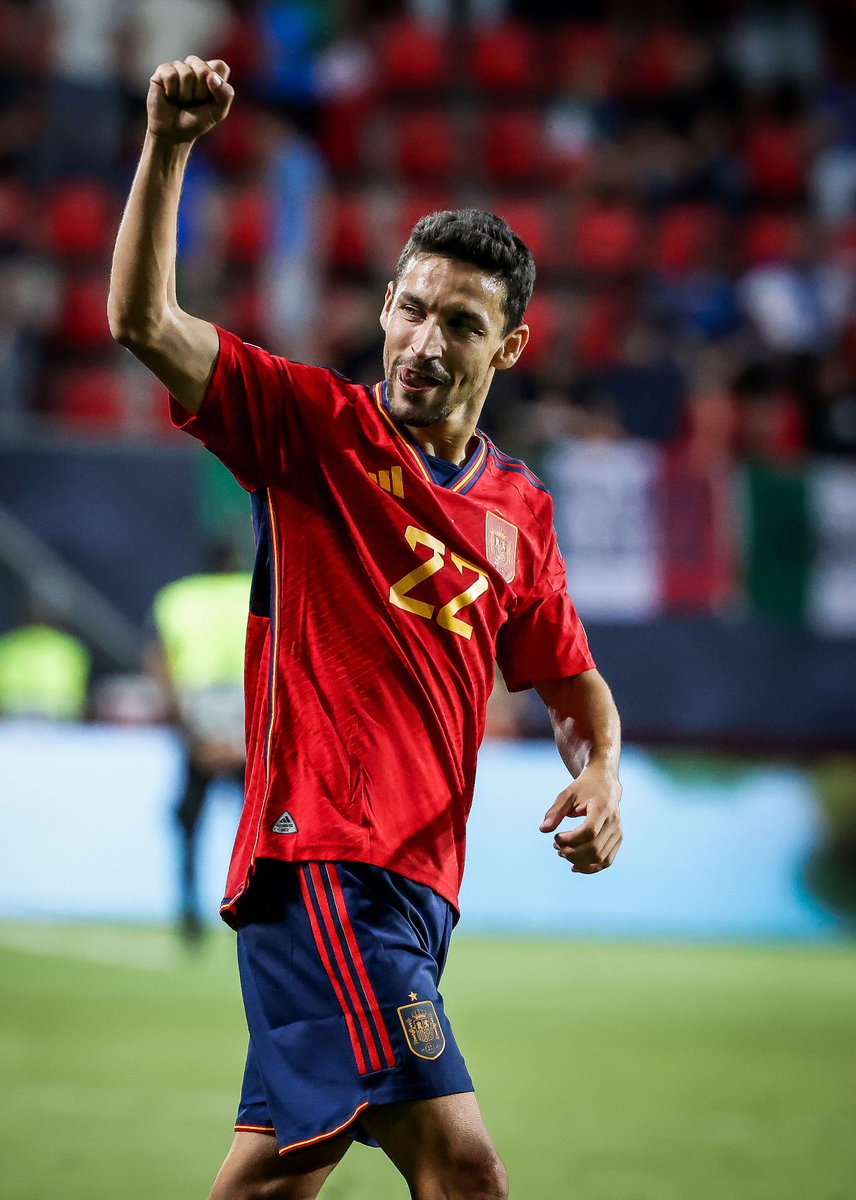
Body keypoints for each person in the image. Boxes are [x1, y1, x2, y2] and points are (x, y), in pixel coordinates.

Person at [108, 54, 624, 1200]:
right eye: (411, 307)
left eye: (461, 321)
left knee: (276, 1179)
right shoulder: (313, 434)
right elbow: (141, 319)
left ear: (511, 347)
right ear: (384, 305)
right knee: (466, 1172)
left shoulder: (518, 514)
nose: (424, 341)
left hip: (419, 888)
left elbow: (574, 686)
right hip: (327, 861)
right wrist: (171, 146)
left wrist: (603, 780)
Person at [147, 543, 250, 943]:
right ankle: (257, 903)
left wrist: (188, 732)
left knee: (189, 820)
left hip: (198, 719)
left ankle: (188, 909)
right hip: (250, 718)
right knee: (264, 823)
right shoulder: (257, 588)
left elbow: (159, 662)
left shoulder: (177, 598)